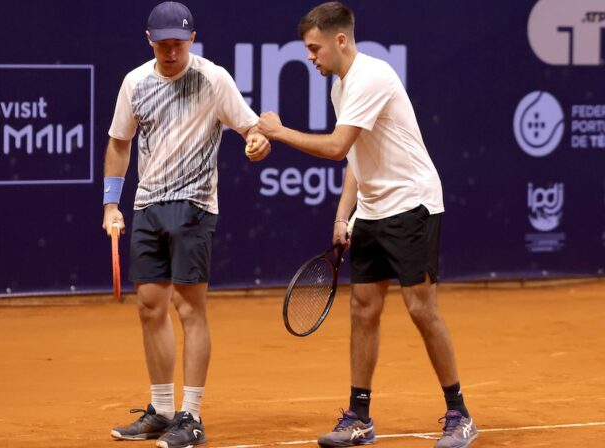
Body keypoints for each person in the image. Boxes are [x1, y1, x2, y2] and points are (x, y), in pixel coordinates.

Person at [257, 2, 477, 448]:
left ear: (340, 40)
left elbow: (337, 147)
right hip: (374, 211)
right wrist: (345, 214)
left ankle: (460, 415)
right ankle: (359, 418)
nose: (310, 56)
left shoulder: (371, 76)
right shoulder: (340, 88)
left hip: (412, 204)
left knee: (421, 308)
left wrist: (277, 132)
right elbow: (356, 158)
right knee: (363, 309)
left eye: (315, 48)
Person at [102, 2, 270, 448]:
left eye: (179, 44)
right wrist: (110, 205)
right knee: (149, 306)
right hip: (147, 205)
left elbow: (251, 128)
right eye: (163, 45)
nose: (171, 52)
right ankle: (161, 410)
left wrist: (256, 142)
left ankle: (191, 416)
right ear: (149, 40)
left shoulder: (214, 79)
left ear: (192, 39)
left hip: (194, 204)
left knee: (189, 308)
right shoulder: (135, 83)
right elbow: (119, 144)